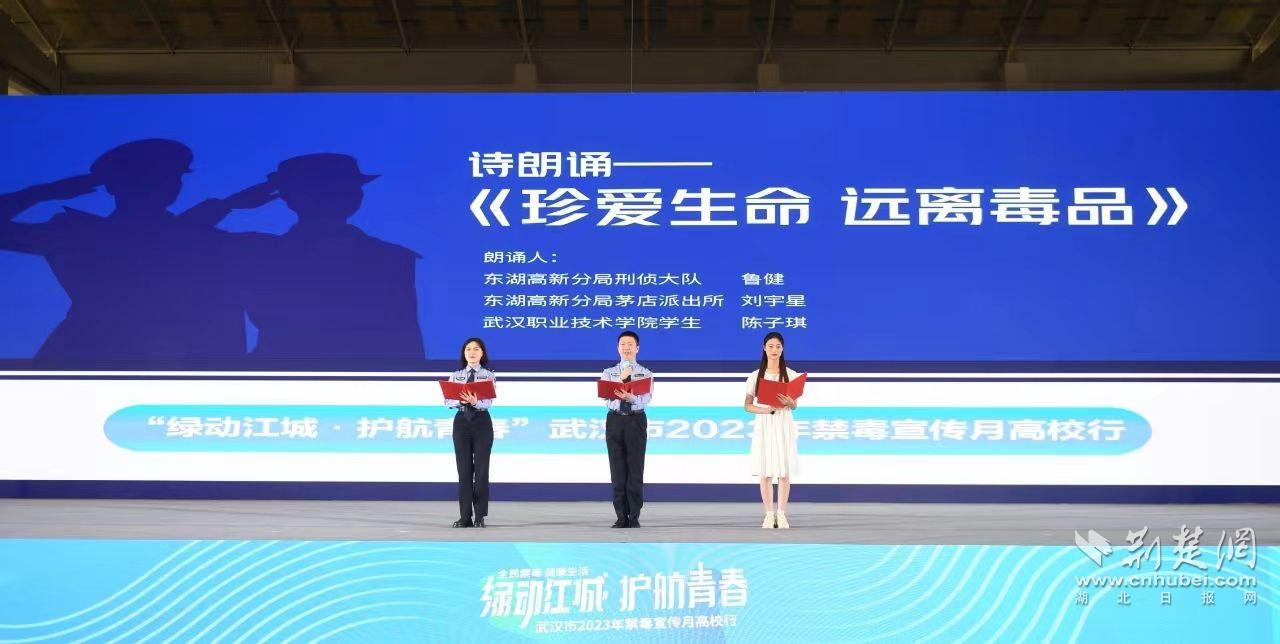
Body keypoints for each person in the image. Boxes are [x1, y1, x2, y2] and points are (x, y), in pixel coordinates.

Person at [0, 139, 272, 362]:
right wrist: (42, 192)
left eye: (172, 176)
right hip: (88, 360)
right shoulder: (77, 233)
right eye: (149, 177)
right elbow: (142, 247)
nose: (164, 184)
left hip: (179, 369)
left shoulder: (207, 238)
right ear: (115, 185)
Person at [242, 153, 425, 361]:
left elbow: (407, 339)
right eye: (334, 191)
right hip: (284, 375)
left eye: (350, 188)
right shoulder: (262, 253)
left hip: (362, 376)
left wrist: (229, 204)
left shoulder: (391, 257)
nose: (351, 195)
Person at [742, 331, 800, 529]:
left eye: (778, 346)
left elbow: (795, 405)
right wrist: (765, 409)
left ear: (783, 349)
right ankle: (768, 514)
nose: (774, 350)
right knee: (765, 471)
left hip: (783, 423)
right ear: (764, 348)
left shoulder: (790, 374)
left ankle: (781, 514)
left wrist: (790, 402)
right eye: (770, 346)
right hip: (765, 423)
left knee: (784, 471)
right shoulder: (756, 376)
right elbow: (747, 405)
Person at [602, 330, 653, 528]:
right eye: (623, 344)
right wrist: (620, 381)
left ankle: (634, 516)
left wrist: (631, 398)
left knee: (635, 469)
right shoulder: (609, 372)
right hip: (615, 420)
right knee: (617, 470)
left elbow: (646, 398)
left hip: (636, 420)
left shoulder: (645, 373)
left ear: (637, 348)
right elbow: (606, 397)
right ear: (617, 348)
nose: (626, 348)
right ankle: (621, 516)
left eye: (630, 344)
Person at [445, 337, 496, 528]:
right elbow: (447, 401)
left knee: (481, 470)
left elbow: (488, 401)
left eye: (476, 349)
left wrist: (475, 402)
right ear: (464, 353)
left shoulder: (488, 375)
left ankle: (480, 516)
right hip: (461, 422)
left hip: (481, 421)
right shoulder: (456, 375)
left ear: (482, 353)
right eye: (468, 349)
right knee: (464, 470)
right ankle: (465, 516)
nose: (472, 352)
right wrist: (460, 401)